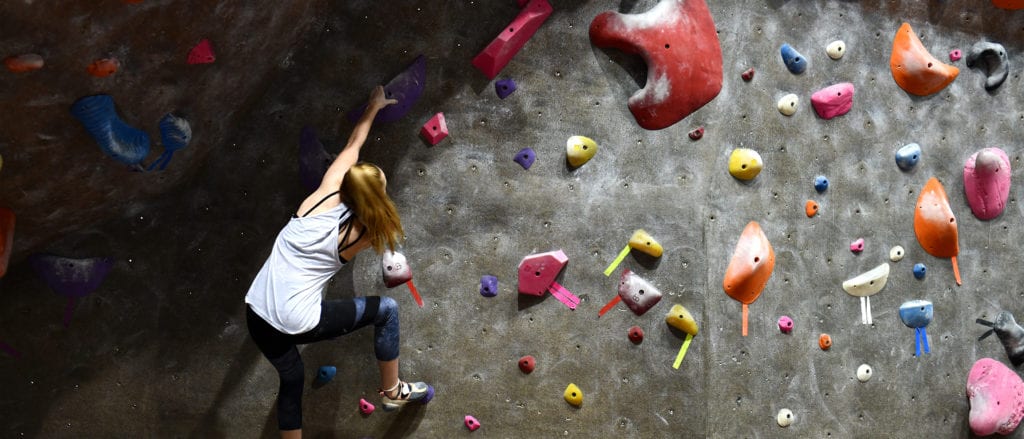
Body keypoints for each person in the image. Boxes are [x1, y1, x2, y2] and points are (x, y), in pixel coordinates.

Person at [244, 85, 432, 438]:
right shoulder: (362, 235)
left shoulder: (323, 194)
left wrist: (373, 107)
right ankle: (393, 392)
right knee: (386, 310)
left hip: (256, 311)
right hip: (297, 319)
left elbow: (352, 146)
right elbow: (389, 258)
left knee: (293, 377)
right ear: (373, 201)